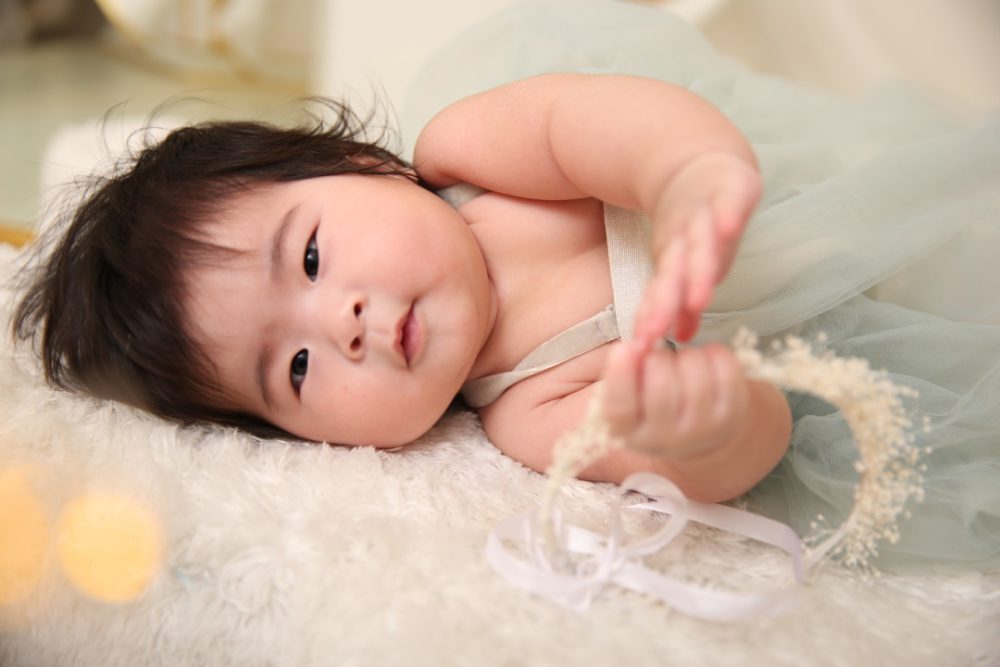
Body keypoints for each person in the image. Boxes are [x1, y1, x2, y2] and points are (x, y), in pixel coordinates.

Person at [13, 1, 1000, 568]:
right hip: (883, 343)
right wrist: (706, 428)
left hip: (845, 205)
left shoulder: (471, 156)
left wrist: (684, 174)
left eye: (309, 258)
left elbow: (594, 120)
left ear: (362, 164)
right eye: (296, 368)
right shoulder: (530, 411)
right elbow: (751, 449)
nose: (340, 323)